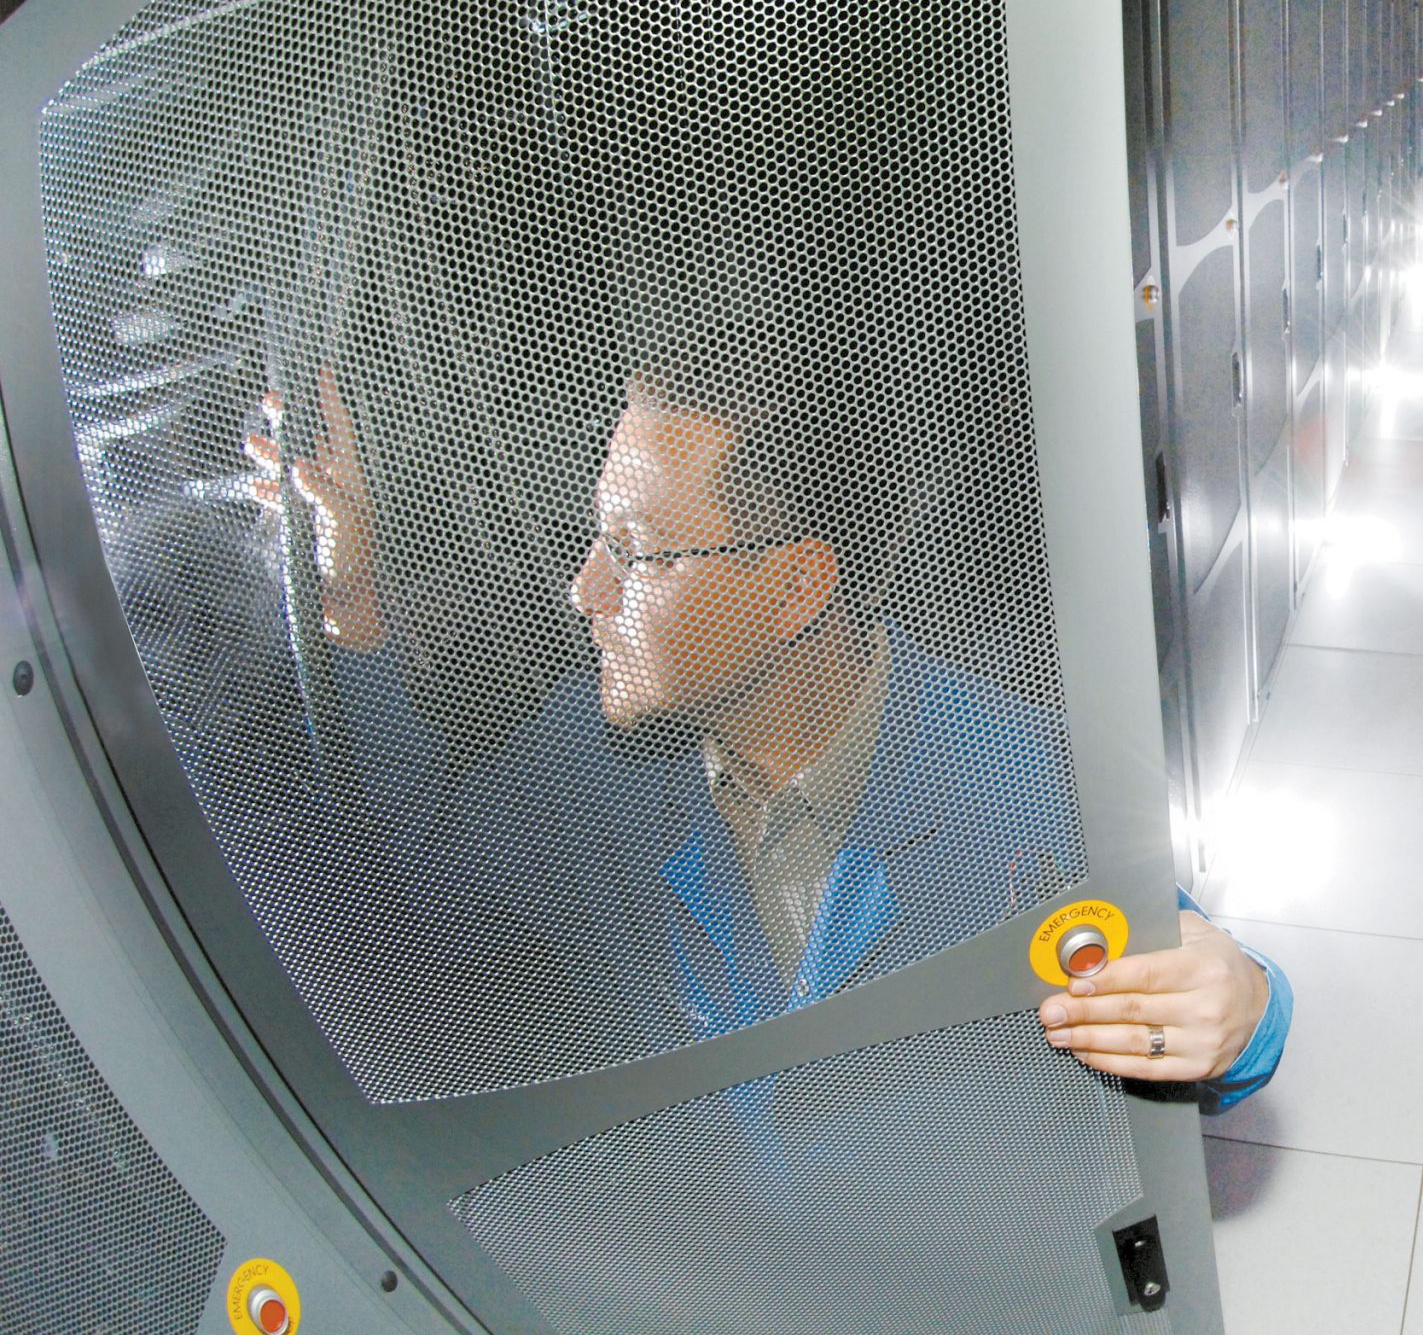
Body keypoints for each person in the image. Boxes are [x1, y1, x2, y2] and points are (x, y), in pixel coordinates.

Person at [244, 322, 1287, 1110]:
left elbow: (1191, 979)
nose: (585, 589)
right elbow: (414, 870)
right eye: (595, 538)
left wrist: (1241, 1009)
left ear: (794, 590)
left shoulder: (1020, 787)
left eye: (638, 552)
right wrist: (353, 594)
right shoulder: (595, 770)